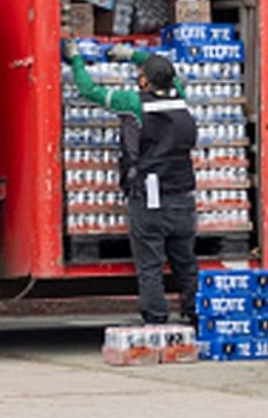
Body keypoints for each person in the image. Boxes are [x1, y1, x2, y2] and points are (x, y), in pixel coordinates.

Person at [63, 39, 199, 325]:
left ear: (143, 81)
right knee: (185, 263)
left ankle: (156, 319)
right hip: (183, 196)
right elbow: (160, 66)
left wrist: (76, 59)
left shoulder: (134, 103)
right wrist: (133, 55)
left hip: (149, 199)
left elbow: (89, 90)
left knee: (149, 264)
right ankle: (195, 314)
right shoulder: (181, 97)